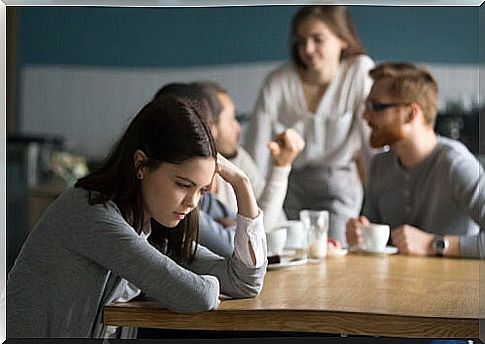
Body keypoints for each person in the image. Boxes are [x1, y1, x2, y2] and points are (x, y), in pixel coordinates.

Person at [6, 94, 267, 338]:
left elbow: (244, 282)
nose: (192, 203)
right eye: (183, 185)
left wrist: (241, 183)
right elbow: (198, 296)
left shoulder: (150, 228)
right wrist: (206, 284)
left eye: (202, 191)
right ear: (141, 164)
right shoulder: (90, 213)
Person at [246, 5, 375, 245]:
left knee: (334, 255)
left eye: (318, 39)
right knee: (288, 255)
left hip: (339, 187)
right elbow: (256, 154)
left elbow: (372, 148)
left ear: (343, 40)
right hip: (289, 186)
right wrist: (249, 209)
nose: (307, 49)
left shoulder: (359, 72)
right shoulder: (277, 82)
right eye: (301, 40)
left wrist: (378, 209)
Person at [346, 62, 484, 259]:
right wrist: (362, 233)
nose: (365, 115)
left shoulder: (456, 164)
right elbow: (376, 231)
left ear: (411, 114)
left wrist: (434, 244)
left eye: (376, 107)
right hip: (397, 285)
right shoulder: (380, 165)